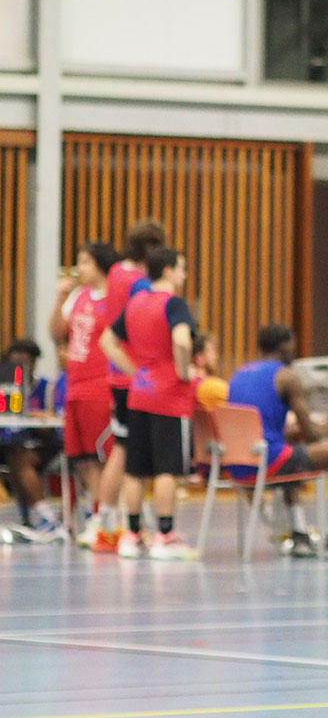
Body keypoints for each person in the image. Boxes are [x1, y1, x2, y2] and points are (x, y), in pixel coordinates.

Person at [226, 323, 328, 560]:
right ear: (285, 346)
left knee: (290, 450)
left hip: (238, 463)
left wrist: (293, 431)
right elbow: (313, 435)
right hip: (268, 462)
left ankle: (300, 535)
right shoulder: (287, 376)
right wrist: (325, 425)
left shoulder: (238, 375)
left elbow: (262, 426)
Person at [100, 246, 198, 560]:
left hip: (139, 392)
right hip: (169, 394)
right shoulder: (174, 304)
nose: (184, 275)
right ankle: (165, 536)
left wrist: (135, 371)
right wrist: (183, 370)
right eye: (182, 268)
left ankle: (132, 535)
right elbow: (181, 340)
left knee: (136, 467)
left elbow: (107, 341)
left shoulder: (136, 302)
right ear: (168, 270)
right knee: (167, 467)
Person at [94, 218, 167, 553]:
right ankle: (110, 523)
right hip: (132, 374)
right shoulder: (139, 283)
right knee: (127, 451)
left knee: (123, 447)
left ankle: (109, 520)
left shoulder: (115, 273)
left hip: (116, 372)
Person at [49, 241, 121, 548]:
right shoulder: (78, 296)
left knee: (100, 456)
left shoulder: (115, 299)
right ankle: (97, 514)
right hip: (74, 386)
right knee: (82, 459)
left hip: (99, 387)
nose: (80, 269)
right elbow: (56, 334)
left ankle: (105, 519)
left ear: (101, 265)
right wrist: (59, 298)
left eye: (86, 262)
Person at [0, 338, 65, 543]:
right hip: (11, 442)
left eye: (25, 361)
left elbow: (55, 418)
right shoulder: (5, 387)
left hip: (44, 441)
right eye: (15, 362)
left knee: (19, 458)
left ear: (34, 362)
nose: (20, 366)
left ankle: (46, 517)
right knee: (13, 454)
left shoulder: (46, 386)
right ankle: (28, 516)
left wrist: (37, 415)